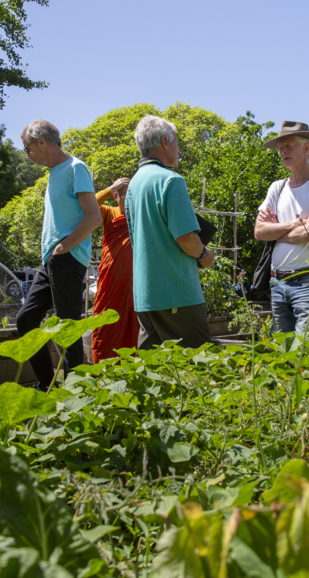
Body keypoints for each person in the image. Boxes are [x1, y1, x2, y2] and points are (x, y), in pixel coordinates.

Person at [15, 119, 103, 390]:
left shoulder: (75, 168)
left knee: (68, 328)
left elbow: (94, 216)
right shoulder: (54, 172)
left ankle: (76, 392)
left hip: (67, 257)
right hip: (50, 259)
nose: (27, 156)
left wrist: (64, 246)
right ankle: (45, 384)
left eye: (28, 149)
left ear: (42, 142)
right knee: (26, 320)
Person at [124, 115, 215, 349]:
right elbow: (186, 239)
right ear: (165, 141)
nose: (178, 149)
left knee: (154, 376)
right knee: (198, 368)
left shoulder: (134, 184)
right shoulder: (171, 180)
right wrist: (205, 256)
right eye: (176, 142)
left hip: (146, 295)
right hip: (177, 294)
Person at [255, 121, 309, 334]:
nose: (282, 151)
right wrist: (297, 224)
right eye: (280, 148)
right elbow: (259, 232)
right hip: (277, 282)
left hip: (308, 281)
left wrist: (277, 230)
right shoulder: (277, 187)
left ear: (307, 149)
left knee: (305, 352)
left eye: (289, 145)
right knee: (283, 353)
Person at [91, 177, 140, 361]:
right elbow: (89, 205)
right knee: (106, 328)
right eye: (123, 195)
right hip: (111, 283)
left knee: (134, 330)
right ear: (115, 196)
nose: (128, 200)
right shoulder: (109, 213)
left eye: (131, 196)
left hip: (135, 284)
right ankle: (102, 378)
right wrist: (111, 186)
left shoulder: (140, 216)